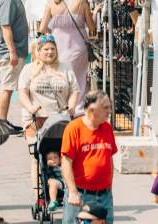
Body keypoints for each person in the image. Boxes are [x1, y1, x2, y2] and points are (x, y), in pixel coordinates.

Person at [19, 34, 80, 206]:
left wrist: (72, 105)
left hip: (60, 119)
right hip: (37, 119)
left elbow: (75, 90)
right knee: (37, 156)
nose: (50, 52)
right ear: (38, 51)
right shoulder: (29, 70)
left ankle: (63, 190)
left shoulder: (65, 68)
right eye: (46, 49)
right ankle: (40, 194)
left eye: (53, 49)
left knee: (64, 156)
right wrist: (30, 107)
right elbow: (22, 91)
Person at [40, 0, 96, 111]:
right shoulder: (81, 0)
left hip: (58, 48)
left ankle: (60, 107)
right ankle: (76, 111)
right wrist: (94, 13)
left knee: (60, 78)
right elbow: (92, 27)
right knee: (79, 80)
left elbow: (42, 27)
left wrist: (55, 33)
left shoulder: (52, 1)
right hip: (77, 47)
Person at [61, 90, 117, 224]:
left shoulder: (107, 128)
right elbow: (66, 162)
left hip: (104, 196)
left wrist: (109, 187)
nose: (110, 111)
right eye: (106, 107)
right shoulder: (74, 128)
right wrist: (73, 192)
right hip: (80, 196)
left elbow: (109, 158)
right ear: (92, 110)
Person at [0, 0, 29, 120]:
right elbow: (6, 27)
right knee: (7, 88)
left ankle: (2, 120)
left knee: (8, 87)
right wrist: (12, 52)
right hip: (10, 52)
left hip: (14, 50)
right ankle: (1, 121)